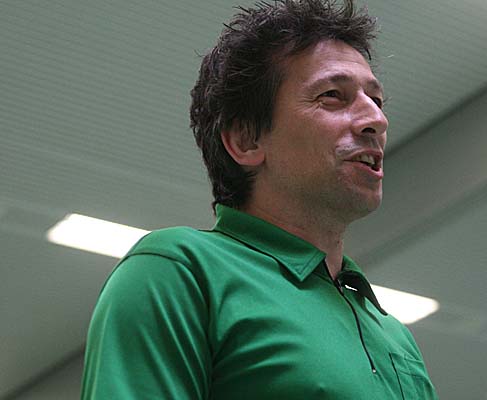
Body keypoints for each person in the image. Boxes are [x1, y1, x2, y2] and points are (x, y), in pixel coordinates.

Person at [81, 0, 438, 398]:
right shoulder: (180, 272)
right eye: (333, 95)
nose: (377, 120)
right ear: (246, 141)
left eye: (377, 100)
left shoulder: (393, 334)